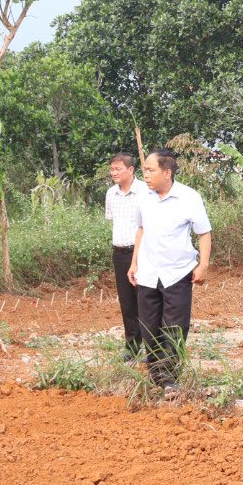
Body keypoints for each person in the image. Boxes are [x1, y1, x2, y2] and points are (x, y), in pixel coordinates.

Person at [127, 149, 212, 396]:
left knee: (175, 327)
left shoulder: (189, 197)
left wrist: (203, 265)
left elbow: (204, 233)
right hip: (148, 272)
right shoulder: (143, 197)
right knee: (149, 326)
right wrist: (134, 263)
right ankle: (156, 376)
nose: (145, 175)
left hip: (177, 272)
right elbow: (141, 229)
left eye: (150, 170)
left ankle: (169, 379)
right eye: (144, 170)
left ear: (167, 172)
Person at [104, 152, 150, 360]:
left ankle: (152, 346)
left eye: (118, 169)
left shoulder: (144, 191)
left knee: (146, 299)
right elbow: (113, 221)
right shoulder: (111, 194)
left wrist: (138, 257)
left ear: (131, 170)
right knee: (127, 302)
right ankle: (132, 346)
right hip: (120, 253)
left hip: (140, 252)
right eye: (112, 169)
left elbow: (147, 225)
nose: (114, 173)